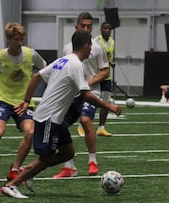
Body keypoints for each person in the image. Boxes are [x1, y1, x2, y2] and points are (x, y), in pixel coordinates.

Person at [0, 30, 122, 198]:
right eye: (90, 48)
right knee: (45, 158)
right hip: (49, 117)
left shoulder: (63, 61)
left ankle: (27, 170)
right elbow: (85, 94)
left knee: (68, 152)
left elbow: (37, 76)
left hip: (57, 118)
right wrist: (108, 105)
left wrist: (27, 100)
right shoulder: (76, 64)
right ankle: (12, 185)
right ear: (86, 46)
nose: (91, 51)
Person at [0, 22, 47, 184]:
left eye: (22, 39)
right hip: (3, 100)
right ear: (9, 40)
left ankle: (14, 169)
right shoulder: (0, 56)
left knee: (30, 132)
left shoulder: (30, 54)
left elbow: (46, 68)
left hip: (23, 102)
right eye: (17, 40)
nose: (20, 43)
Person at [52, 12, 110, 178]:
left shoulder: (97, 48)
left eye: (89, 26)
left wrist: (87, 84)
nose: (86, 29)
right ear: (76, 27)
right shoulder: (67, 48)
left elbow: (105, 71)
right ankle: (69, 167)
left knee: (85, 120)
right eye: (83, 26)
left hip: (91, 92)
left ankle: (92, 161)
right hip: (72, 93)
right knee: (58, 123)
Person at [94, 21, 115, 137]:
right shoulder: (96, 41)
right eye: (105, 28)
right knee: (92, 101)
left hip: (107, 76)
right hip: (97, 75)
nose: (107, 30)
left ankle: (101, 127)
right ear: (101, 29)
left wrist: (111, 63)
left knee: (106, 102)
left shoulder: (112, 41)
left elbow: (109, 57)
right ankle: (82, 125)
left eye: (109, 28)